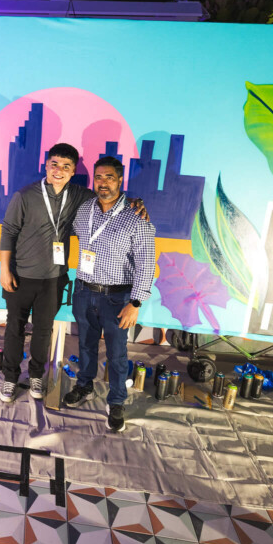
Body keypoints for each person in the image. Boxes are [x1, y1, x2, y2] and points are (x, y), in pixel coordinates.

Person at [0, 144, 147, 403]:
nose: (59, 170)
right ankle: (10, 379)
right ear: (46, 165)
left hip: (54, 278)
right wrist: (4, 270)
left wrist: (136, 202)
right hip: (21, 275)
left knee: (44, 331)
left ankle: (35, 375)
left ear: (73, 171)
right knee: (15, 329)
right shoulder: (25, 195)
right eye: (54, 164)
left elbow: (110, 197)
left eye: (66, 166)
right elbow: (8, 231)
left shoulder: (81, 195)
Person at [62, 156, 156, 433]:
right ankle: (84, 386)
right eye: (99, 177)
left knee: (117, 353)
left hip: (117, 297)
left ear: (120, 180)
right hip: (83, 290)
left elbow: (147, 264)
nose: (103, 183)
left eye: (109, 177)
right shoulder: (84, 209)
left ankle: (116, 401)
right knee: (86, 346)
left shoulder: (136, 217)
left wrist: (135, 303)